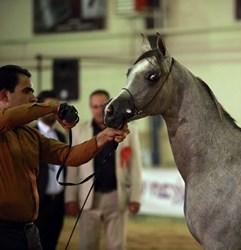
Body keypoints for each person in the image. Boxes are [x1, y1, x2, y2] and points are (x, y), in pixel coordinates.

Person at [0, 65, 129, 250]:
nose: (33, 98)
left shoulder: (30, 135)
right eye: (27, 91)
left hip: (29, 231)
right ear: (4, 96)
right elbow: (8, 118)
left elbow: (69, 156)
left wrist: (103, 137)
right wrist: (53, 106)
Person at [65, 89, 142, 250]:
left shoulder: (130, 131)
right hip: (88, 197)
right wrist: (70, 198)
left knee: (117, 246)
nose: (98, 110)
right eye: (94, 106)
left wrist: (135, 197)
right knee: (87, 245)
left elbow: (135, 166)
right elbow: (72, 166)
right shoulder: (78, 131)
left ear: (110, 106)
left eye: (102, 106)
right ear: (89, 107)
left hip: (116, 196)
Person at [34, 90, 66, 250]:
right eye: (49, 106)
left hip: (58, 201)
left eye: (56, 107)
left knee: (52, 242)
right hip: (39, 202)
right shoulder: (30, 134)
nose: (53, 111)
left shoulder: (61, 135)